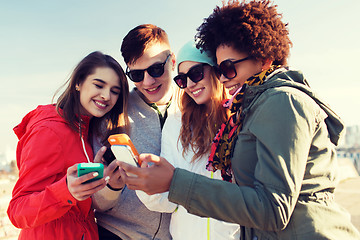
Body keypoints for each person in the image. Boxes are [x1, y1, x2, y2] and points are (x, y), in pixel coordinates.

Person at [117, 1, 360, 239]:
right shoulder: (251, 108)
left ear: (263, 58)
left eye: (227, 68)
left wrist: (176, 182)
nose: (223, 78)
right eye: (183, 79)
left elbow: (273, 207)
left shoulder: (279, 101)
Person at [7, 51, 130, 240]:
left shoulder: (88, 128)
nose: (106, 96)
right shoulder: (49, 131)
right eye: (98, 85)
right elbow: (18, 210)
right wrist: (66, 190)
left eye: (115, 91)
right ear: (78, 83)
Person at [135, 40, 240, 239]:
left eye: (196, 74)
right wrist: (143, 183)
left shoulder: (241, 118)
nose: (190, 85)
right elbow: (168, 202)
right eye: (182, 80)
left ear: (215, 70)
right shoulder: (176, 124)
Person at [91, 24, 176, 240]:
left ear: (172, 61)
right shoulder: (111, 116)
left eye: (156, 69)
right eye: (137, 74)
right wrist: (112, 187)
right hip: (117, 234)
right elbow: (96, 202)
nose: (148, 82)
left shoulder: (195, 109)